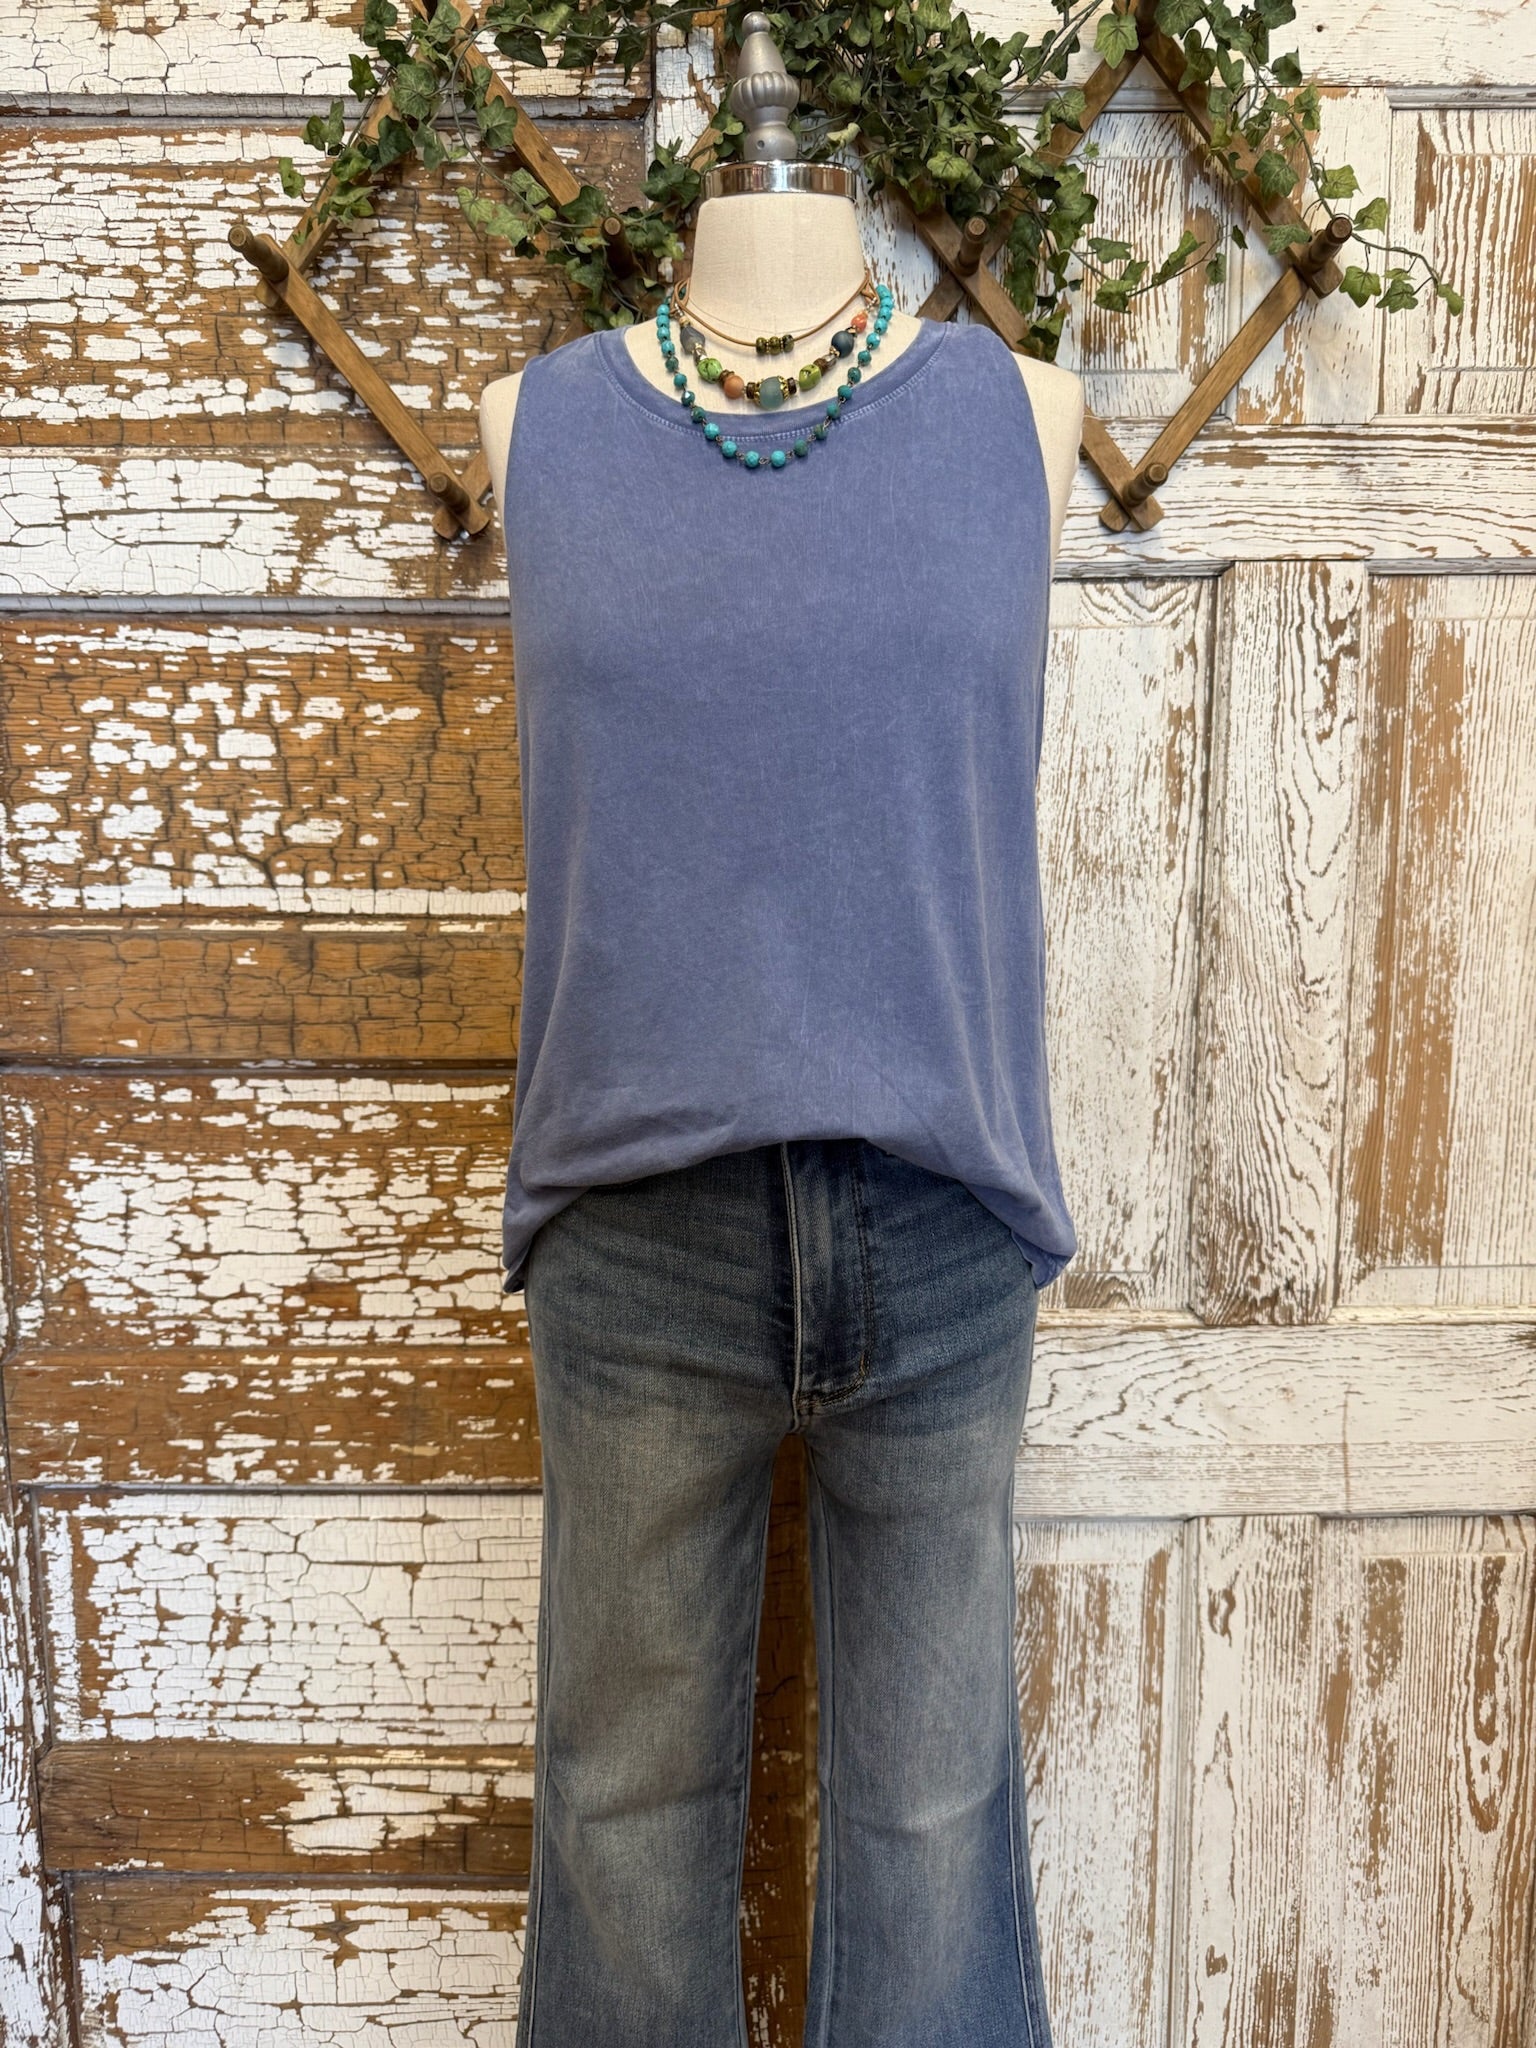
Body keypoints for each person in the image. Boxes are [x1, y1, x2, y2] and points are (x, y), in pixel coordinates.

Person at [477, 18, 1083, 2043]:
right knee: (628, 1840)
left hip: (937, 1214)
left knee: (928, 1843)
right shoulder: (538, 426)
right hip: (637, 1233)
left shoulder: (1021, 416)